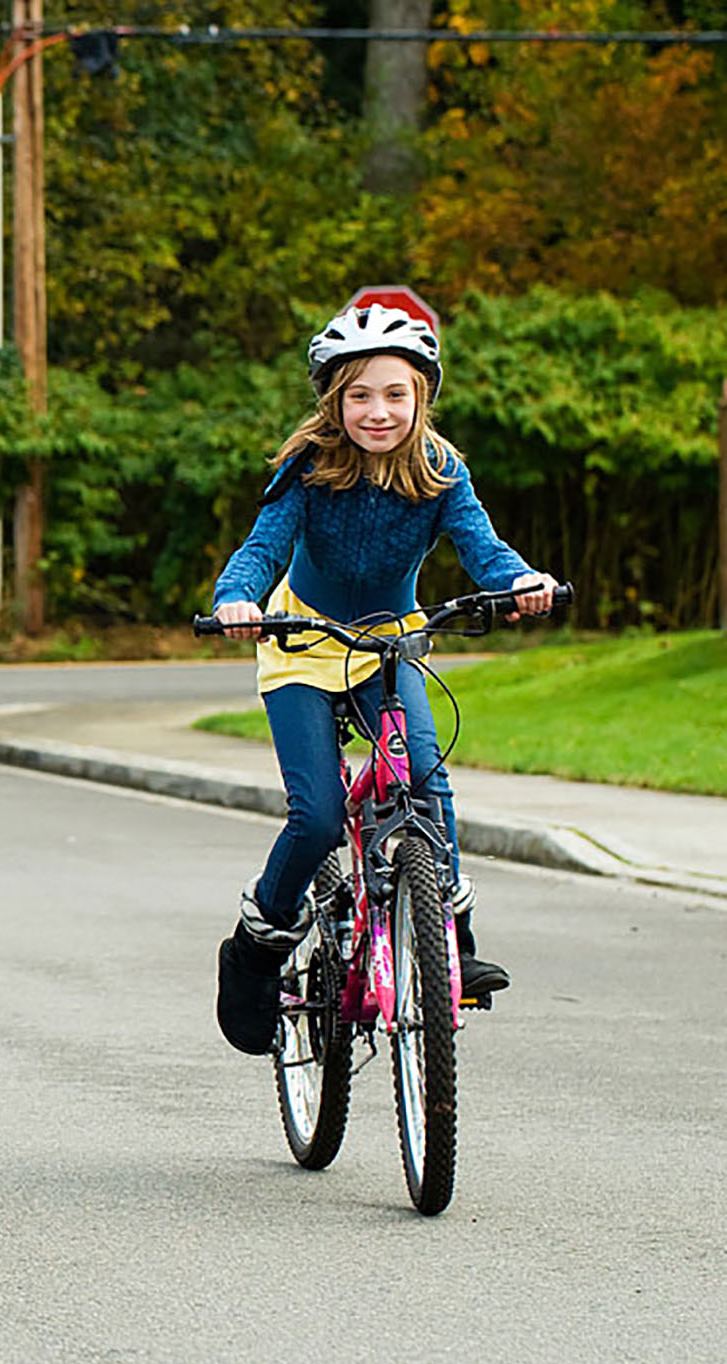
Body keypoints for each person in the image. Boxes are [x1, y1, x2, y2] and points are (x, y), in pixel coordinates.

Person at [209, 303, 558, 1055]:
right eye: (360, 395)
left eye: (395, 394)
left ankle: (451, 943)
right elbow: (262, 548)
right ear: (333, 400)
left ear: (421, 398)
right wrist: (236, 599)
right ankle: (256, 948)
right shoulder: (308, 468)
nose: (378, 411)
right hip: (303, 642)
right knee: (319, 818)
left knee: (426, 785)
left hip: (390, 643)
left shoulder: (440, 472)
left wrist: (521, 580)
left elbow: (483, 548)